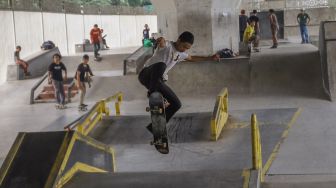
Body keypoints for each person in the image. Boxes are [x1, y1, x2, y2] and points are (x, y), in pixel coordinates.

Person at [138, 31, 218, 151]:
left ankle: (155, 129)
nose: (184, 50)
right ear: (179, 40)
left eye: (187, 48)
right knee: (161, 66)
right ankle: (152, 94)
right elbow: (162, 42)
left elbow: (192, 58)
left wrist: (210, 58)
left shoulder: (182, 54)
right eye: (184, 46)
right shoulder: (167, 46)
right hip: (146, 75)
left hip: (158, 82)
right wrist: (160, 40)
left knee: (176, 104)